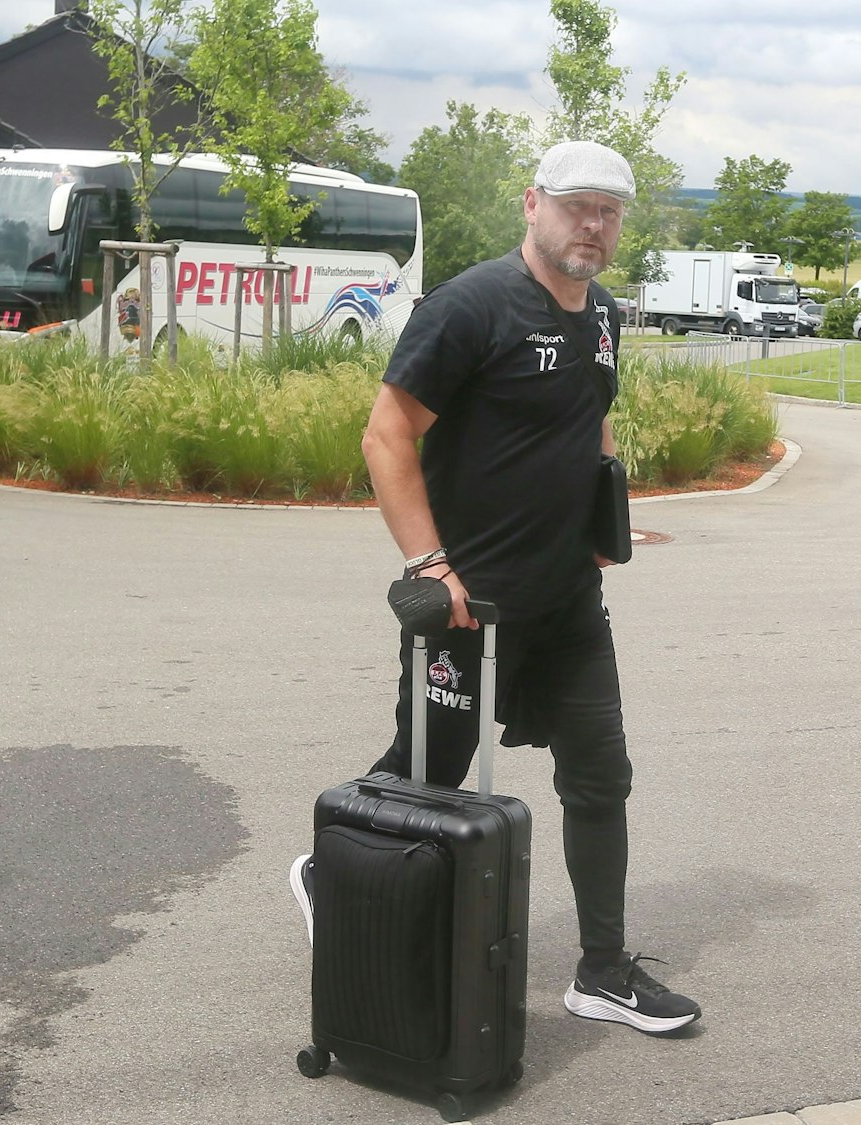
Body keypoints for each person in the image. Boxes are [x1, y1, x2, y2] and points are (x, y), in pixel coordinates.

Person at [290, 141, 701, 1035]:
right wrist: (429, 566)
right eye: (576, 205)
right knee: (424, 778)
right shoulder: (471, 305)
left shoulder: (605, 317)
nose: (593, 223)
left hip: (567, 608)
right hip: (468, 611)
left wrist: (601, 526)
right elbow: (386, 434)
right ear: (532, 204)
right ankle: (339, 870)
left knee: (600, 777)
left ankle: (601, 970)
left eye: (610, 210)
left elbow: (589, 424)